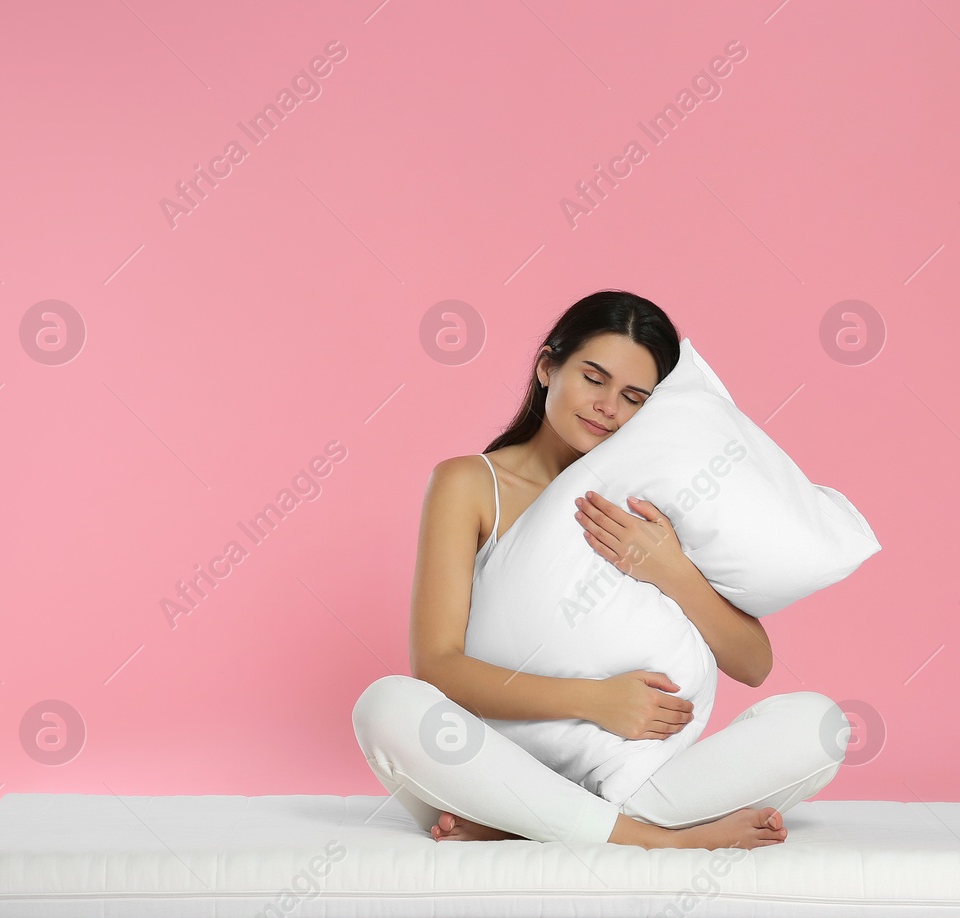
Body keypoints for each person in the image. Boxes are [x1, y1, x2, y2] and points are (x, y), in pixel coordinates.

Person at [352, 290, 850, 849]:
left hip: (633, 775)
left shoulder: (652, 502)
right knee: (387, 706)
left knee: (819, 726)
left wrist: (671, 569)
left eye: (634, 397)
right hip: (491, 767)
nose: (608, 407)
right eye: (594, 379)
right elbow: (439, 670)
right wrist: (595, 700)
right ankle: (653, 839)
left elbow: (754, 665)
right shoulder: (469, 484)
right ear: (547, 368)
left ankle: (536, 827)